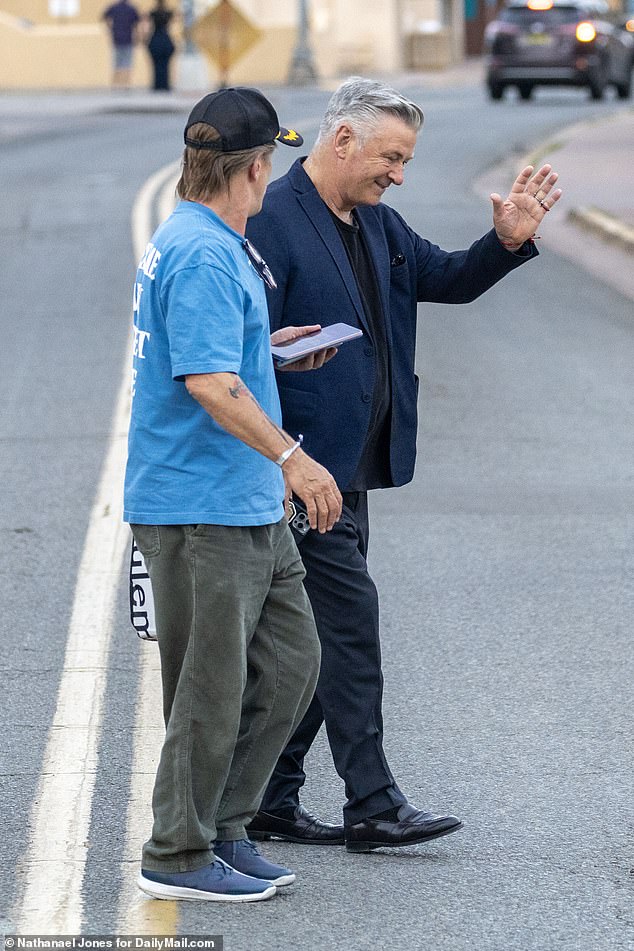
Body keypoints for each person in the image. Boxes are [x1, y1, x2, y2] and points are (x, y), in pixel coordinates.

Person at [246, 76, 562, 853]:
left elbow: (443, 278)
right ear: (342, 140)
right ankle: (373, 802)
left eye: (407, 159)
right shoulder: (274, 221)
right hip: (301, 472)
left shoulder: (378, 224)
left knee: (321, 641)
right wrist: (284, 458)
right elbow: (245, 356)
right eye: (391, 156)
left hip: (353, 469)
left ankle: (269, 797)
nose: (399, 173)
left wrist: (508, 242)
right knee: (349, 630)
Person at [124, 86, 342, 902]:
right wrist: (295, 457)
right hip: (200, 504)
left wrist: (270, 349)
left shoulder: (211, 240)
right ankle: (177, 852)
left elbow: (221, 359)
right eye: (270, 163)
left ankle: (226, 826)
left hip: (240, 500)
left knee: (291, 665)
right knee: (210, 687)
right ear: (254, 168)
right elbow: (209, 382)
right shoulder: (207, 251)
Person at [102, 0, 140, 89]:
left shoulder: (114, 7)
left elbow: (104, 16)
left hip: (117, 38)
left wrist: (110, 29)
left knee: (116, 63)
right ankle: (126, 84)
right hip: (128, 39)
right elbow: (136, 23)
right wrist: (137, 36)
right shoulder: (131, 8)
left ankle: (115, 84)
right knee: (127, 63)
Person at [145, 0, 176, 92]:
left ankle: (157, 85)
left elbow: (149, 26)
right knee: (165, 65)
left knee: (156, 66)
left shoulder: (153, 13)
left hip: (155, 39)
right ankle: (165, 85)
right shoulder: (168, 13)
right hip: (165, 40)